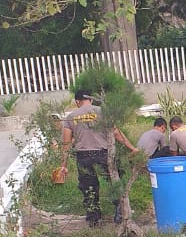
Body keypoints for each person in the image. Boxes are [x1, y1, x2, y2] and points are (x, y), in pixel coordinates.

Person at [58, 90, 138, 227]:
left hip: (83, 156)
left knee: (88, 186)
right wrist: (132, 148)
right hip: (104, 153)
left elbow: (66, 144)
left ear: (77, 102)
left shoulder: (71, 117)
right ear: (92, 100)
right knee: (115, 181)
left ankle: (93, 219)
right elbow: (117, 133)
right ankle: (120, 213)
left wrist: (63, 165)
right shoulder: (102, 112)